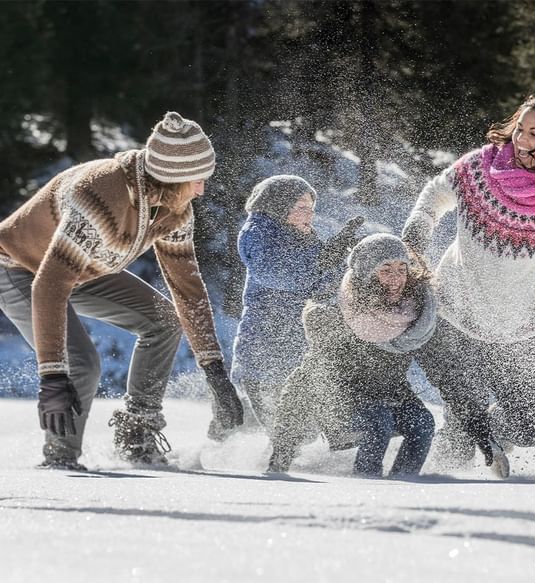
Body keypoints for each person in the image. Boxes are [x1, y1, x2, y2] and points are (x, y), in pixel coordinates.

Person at [0, 111, 243, 470]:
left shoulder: (175, 210)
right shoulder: (100, 196)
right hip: (18, 268)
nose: (201, 190)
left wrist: (215, 372)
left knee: (163, 321)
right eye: (196, 180)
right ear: (172, 177)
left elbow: (187, 288)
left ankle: (137, 434)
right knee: (80, 365)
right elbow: (50, 284)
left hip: (81, 268)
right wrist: (52, 375)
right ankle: (60, 461)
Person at [402, 95, 535, 477]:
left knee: (529, 427)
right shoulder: (479, 168)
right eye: (520, 129)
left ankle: (486, 432)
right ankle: (434, 486)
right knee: (458, 436)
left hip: (520, 328)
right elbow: (434, 195)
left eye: (534, 134)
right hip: (458, 314)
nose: (521, 139)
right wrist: (416, 233)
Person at [267, 233, 436, 478]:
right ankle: (366, 489)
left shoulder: (416, 311)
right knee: (379, 422)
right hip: (338, 403)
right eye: (385, 269)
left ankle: (403, 486)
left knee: (422, 424)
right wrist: (284, 442)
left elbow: (443, 366)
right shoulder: (341, 316)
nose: (396, 278)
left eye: (402, 268)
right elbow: (307, 379)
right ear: (367, 274)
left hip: (387, 395)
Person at [230, 175, 364, 432]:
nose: (309, 215)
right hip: (263, 355)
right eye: (302, 207)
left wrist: (355, 265)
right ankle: (225, 445)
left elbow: (325, 282)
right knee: (287, 434)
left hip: (295, 351)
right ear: (278, 205)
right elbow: (281, 274)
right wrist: (325, 258)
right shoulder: (257, 233)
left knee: (307, 432)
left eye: (312, 208)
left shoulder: (303, 237)